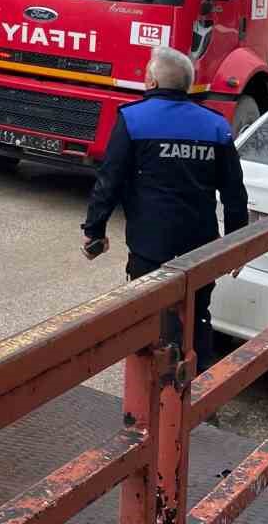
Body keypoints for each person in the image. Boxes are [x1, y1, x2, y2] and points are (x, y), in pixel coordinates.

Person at [80, 46, 248, 371]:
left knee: (146, 319)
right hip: (201, 245)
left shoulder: (133, 118)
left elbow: (109, 180)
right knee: (197, 315)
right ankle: (198, 386)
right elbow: (234, 192)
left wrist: (94, 230)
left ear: (152, 82)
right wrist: (236, 245)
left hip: (149, 246)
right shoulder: (216, 126)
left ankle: (151, 391)